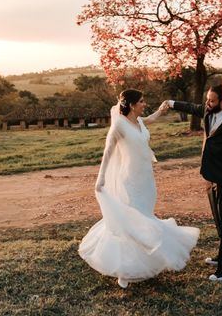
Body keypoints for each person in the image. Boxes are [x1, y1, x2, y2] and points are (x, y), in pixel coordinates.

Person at [78, 89, 199, 288]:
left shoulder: (139, 121)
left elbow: (149, 119)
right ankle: (124, 271)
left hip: (146, 179)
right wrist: (100, 179)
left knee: (145, 218)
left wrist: (161, 110)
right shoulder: (119, 125)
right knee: (131, 224)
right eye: (142, 101)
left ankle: (145, 261)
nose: (144, 104)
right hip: (130, 181)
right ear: (132, 105)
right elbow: (108, 152)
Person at [160, 84, 222, 282]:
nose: (207, 103)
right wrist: (171, 103)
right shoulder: (209, 112)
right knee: (219, 218)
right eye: (207, 99)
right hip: (210, 175)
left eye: (211, 100)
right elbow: (192, 107)